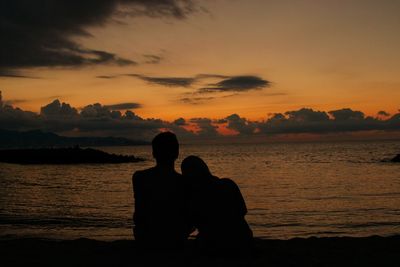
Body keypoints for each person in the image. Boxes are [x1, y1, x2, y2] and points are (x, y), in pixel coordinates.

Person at [181, 155, 253, 255]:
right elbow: (242, 211)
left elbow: (190, 226)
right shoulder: (229, 184)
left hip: (214, 245)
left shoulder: (196, 197)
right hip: (243, 238)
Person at [132, 132, 190, 249]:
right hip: (175, 240)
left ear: (154, 153)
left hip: (147, 238)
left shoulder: (139, 177)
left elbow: (139, 216)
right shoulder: (184, 182)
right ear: (177, 154)